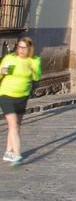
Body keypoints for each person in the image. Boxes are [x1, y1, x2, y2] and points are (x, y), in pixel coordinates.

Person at [1, 37, 41, 166]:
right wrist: (2, 71)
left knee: (16, 125)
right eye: (19, 47)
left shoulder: (34, 61)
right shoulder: (10, 59)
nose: (21, 50)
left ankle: (8, 152)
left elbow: (37, 77)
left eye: (24, 47)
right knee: (13, 124)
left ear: (30, 48)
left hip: (22, 96)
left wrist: (33, 68)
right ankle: (17, 154)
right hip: (6, 94)